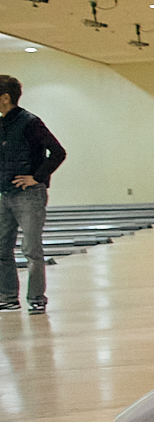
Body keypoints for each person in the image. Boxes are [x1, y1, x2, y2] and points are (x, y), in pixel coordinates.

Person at [0, 74, 66, 314]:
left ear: (6, 98)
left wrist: (36, 178)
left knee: (31, 249)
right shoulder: (2, 123)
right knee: (1, 248)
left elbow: (58, 152)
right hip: (5, 194)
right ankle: (8, 297)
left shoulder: (30, 122)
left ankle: (36, 297)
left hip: (29, 195)